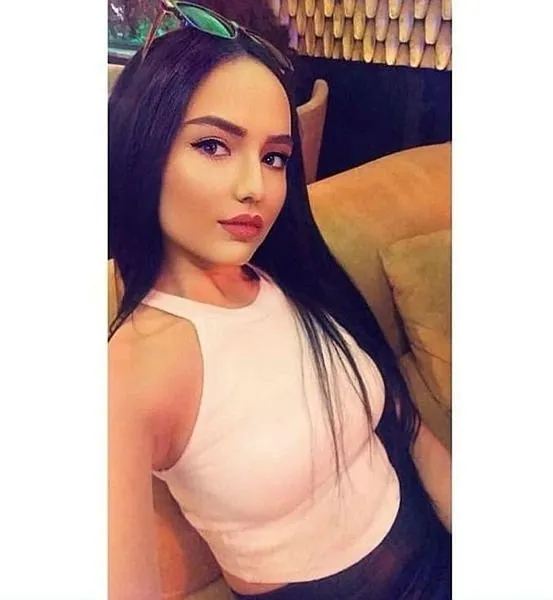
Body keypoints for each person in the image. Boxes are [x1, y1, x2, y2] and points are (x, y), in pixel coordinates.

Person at [108, 2, 452, 599]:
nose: (257, 188)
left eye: (274, 157)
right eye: (213, 145)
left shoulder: (289, 277)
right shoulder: (130, 373)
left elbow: (406, 420)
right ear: (142, 145)